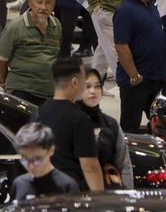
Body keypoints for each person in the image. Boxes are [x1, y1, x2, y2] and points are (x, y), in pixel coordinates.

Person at [34, 56, 103, 192]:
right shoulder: (80, 119)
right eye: (84, 79)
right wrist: (100, 199)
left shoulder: (38, 113)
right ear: (75, 82)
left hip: (45, 190)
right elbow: (89, 167)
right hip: (72, 194)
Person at [113, 0, 166, 133]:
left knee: (160, 125)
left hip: (156, 79)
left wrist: (165, 67)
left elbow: (158, 37)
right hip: (137, 82)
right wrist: (134, 76)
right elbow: (121, 46)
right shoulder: (125, 11)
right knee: (130, 126)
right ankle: (125, 159)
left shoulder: (151, 6)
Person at [0, 0, 61, 105]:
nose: (43, 7)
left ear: (53, 5)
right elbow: (0, 60)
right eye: (39, 2)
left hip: (50, 92)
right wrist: (4, 83)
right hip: (22, 90)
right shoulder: (15, 27)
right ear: (30, 3)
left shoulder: (56, 25)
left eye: (48, 2)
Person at [78, 67, 133, 187]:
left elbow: (124, 165)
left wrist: (128, 196)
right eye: (87, 86)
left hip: (107, 195)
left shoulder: (110, 124)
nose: (93, 91)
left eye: (97, 86)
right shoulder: (69, 122)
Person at [11, 122, 80, 200]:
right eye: (25, 159)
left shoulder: (67, 185)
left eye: (37, 159)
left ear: (51, 150)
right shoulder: (19, 183)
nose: (31, 166)